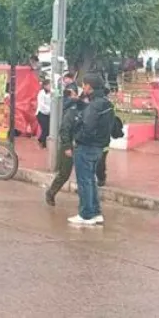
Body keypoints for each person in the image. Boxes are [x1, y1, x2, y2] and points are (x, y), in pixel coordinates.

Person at [68, 74, 114, 226]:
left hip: (87, 146)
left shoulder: (95, 105)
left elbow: (87, 126)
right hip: (99, 146)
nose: (83, 88)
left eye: (84, 85)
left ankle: (86, 213)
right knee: (91, 180)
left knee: (84, 181)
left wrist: (77, 138)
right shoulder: (106, 103)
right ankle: (95, 212)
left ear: (90, 86)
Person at [45, 89, 85, 206]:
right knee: (64, 173)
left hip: (82, 147)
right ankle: (51, 193)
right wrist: (67, 146)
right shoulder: (72, 112)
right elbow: (64, 130)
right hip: (69, 147)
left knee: (83, 175)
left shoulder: (87, 111)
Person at [35, 80, 52, 148]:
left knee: (47, 129)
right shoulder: (41, 93)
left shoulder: (51, 92)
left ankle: (40, 140)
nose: (50, 86)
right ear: (45, 86)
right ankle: (43, 144)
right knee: (46, 129)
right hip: (41, 113)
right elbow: (41, 104)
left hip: (47, 114)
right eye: (49, 85)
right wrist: (49, 109)